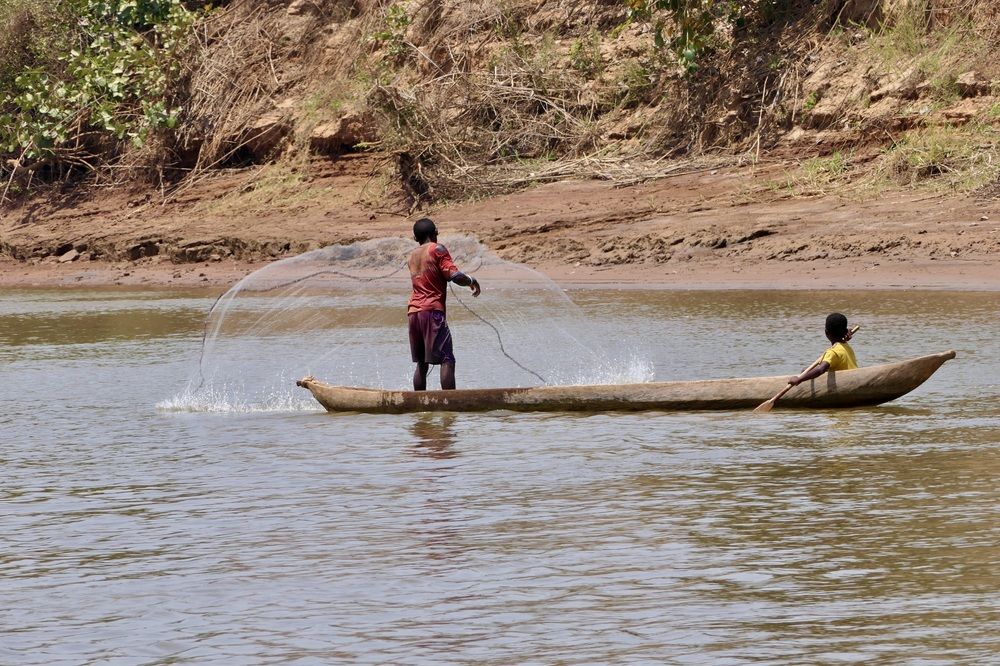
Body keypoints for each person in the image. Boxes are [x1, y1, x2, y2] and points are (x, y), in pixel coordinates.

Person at [407, 218, 481, 391]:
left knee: (422, 363)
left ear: (416, 238)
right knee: (447, 359)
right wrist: (471, 280)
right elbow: (454, 276)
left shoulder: (411, 256)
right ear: (434, 234)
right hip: (432, 312)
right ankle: (449, 402)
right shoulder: (437, 249)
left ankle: (418, 403)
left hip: (413, 313)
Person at [788, 312, 858, 386]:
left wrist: (799, 379)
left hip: (846, 384)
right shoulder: (846, 346)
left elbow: (820, 370)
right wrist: (807, 372)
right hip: (854, 380)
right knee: (805, 370)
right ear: (845, 332)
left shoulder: (832, 352)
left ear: (826, 332)